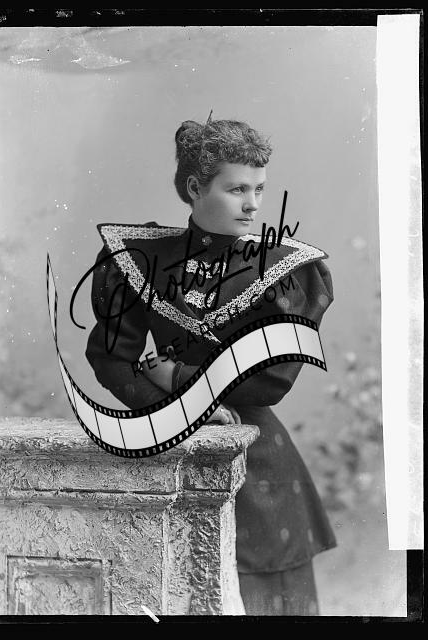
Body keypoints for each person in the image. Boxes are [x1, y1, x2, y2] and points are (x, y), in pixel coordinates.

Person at [86, 118, 337, 616]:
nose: (253, 205)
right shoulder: (140, 258)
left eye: (259, 189)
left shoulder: (284, 268)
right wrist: (172, 409)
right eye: (237, 189)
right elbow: (111, 359)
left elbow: (270, 381)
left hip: (259, 465)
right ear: (195, 187)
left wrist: (176, 378)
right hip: (173, 448)